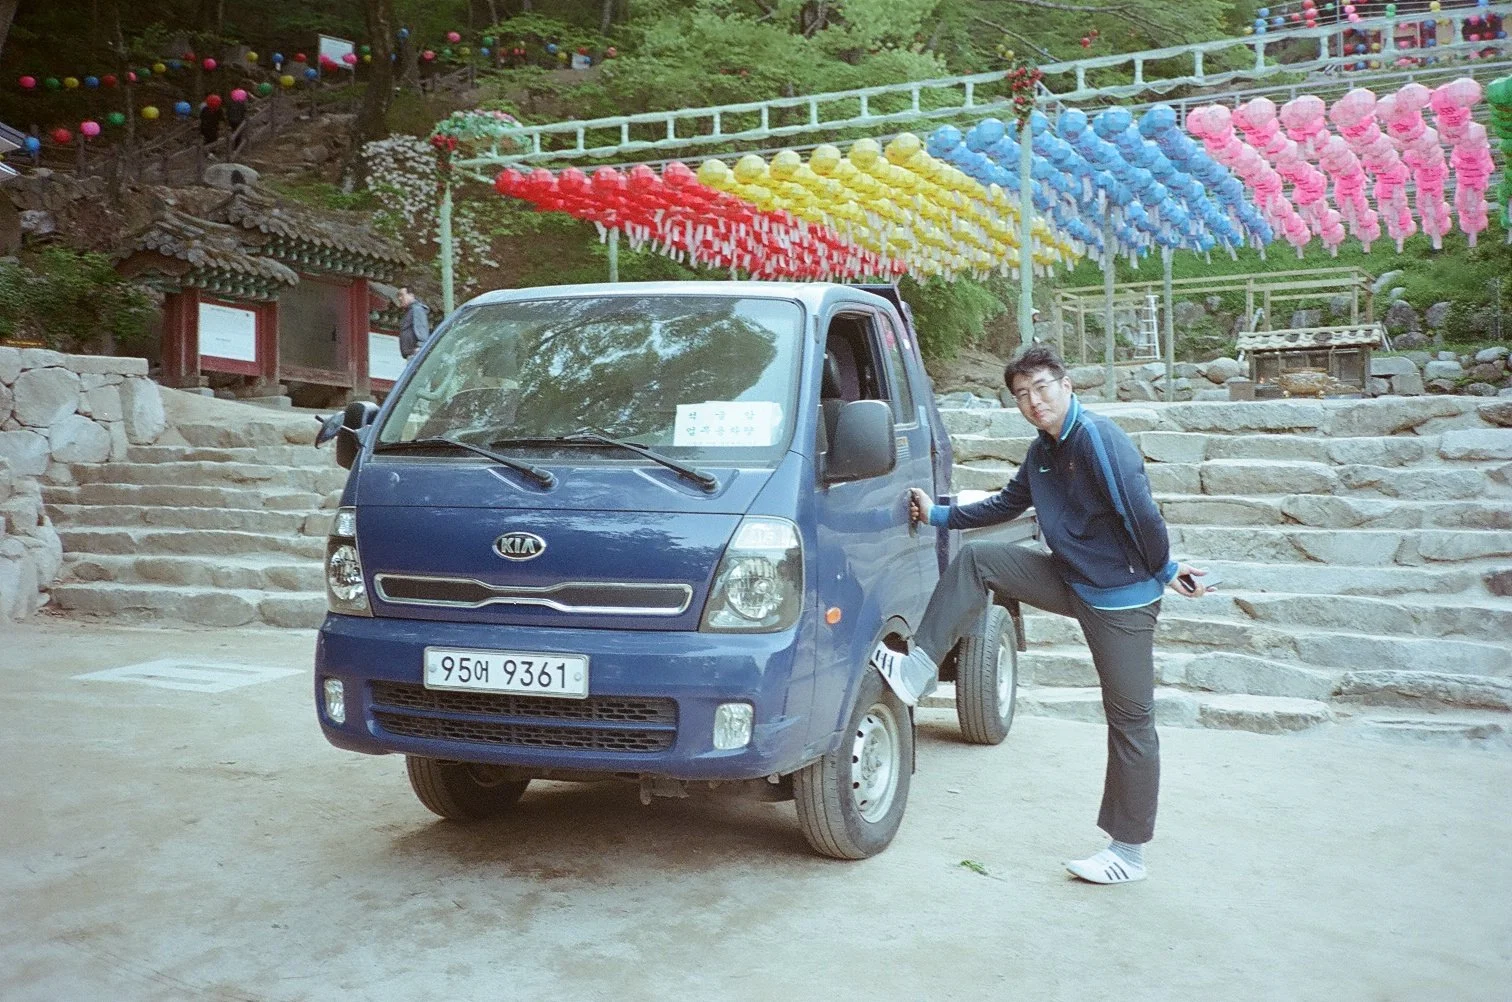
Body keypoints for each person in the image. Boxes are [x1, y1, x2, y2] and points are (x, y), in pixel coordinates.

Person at [881, 342, 1210, 885]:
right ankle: (917, 671)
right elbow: (1006, 504)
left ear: (1067, 384)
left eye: (1042, 388)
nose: (1034, 401)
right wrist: (938, 513)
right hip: (1073, 579)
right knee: (980, 561)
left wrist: (1167, 569)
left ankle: (1127, 853)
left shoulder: (1099, 440)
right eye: (1022, 394)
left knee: (1131, 722)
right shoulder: (1044, 452)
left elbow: (1143, 515)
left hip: (1121, 599)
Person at [396, 285, 431, 359]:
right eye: (398, 296)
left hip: (415, 355)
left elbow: (421, 329)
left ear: (411, 295)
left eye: (402, 295)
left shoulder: (417, 309)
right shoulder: (409, 311)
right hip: (411, 354)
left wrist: (420, 348)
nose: (399, 298)